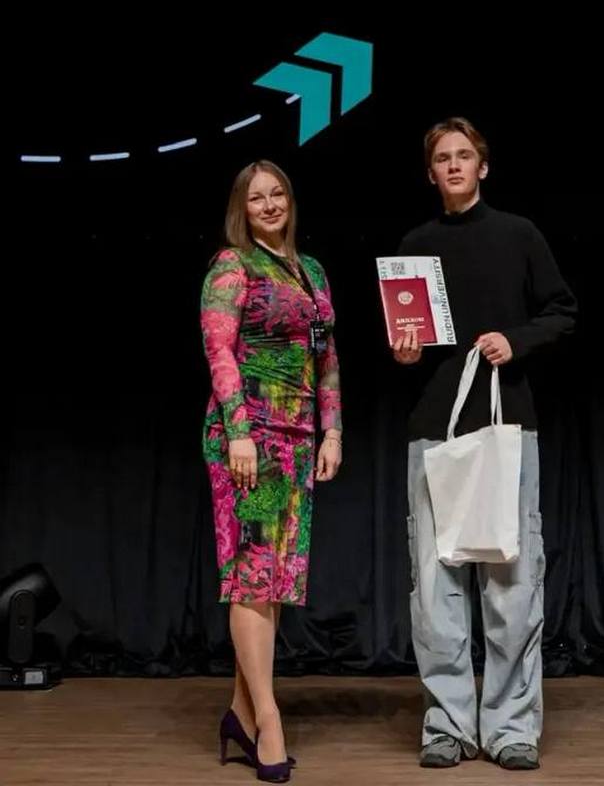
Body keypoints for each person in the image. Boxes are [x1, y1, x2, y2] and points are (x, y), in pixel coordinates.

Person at [393, 118, 577, 770]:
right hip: (434, 431)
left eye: (463, 155)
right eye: (442, 158)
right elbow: (410, 341)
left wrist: (514, 340)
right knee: (435, 588)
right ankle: (446, 726)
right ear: (430, 173)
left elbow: (562, 311)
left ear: (483, 166)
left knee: (512, 584)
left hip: (506, 429)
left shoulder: (518, 234)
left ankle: (510, 728)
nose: (453, 165)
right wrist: (405, 352)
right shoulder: (415, 246)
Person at [201, 160, 343, 783]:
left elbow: (327, 356)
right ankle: (269, 719)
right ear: (242, 208)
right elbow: (219, 350)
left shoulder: (311, 271)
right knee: (253, 577)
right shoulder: (232, 266)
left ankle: (240, 712)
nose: (269, 204)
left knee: (276, 580)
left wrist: (332, 429)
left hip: (297, 442)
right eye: (256, 197)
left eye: (277, 193)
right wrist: (238, 430)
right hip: (251, 440)